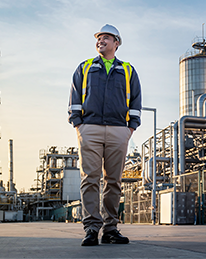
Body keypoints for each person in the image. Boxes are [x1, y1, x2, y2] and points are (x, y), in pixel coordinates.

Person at [67, 24, 141, 246]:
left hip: (119, 130)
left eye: (106, 38)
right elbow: (74, 97)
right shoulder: (85, 67)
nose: (101, 41)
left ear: (116, 43)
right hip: (90, 128)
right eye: (99, 38)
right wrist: (78, 124)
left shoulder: (127, 70)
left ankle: (110, 229)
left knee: (114, 181)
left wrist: (131, 128)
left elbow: (136, 101)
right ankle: (91, 228)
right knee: (90, 179)